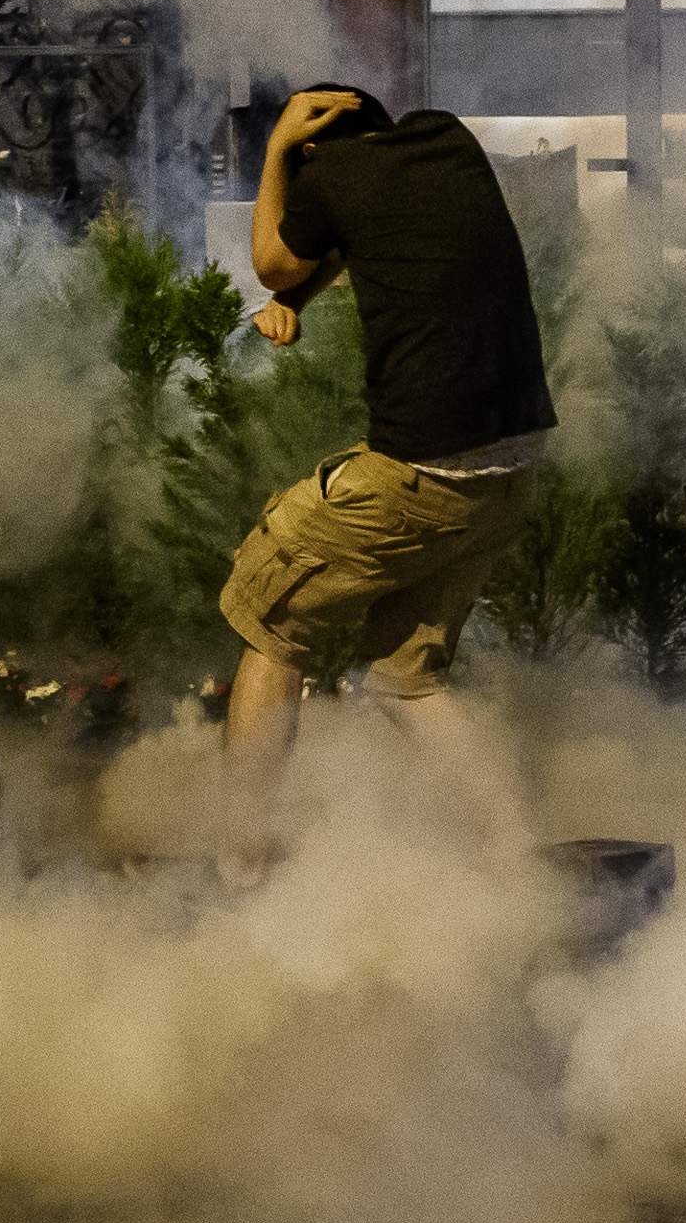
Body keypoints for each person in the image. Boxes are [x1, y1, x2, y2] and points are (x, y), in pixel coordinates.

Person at [219, 84, 558, 846]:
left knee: (269, 615)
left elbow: (274, 261)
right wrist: (301, 301)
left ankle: (241, 870)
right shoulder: (446, 140)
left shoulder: (326, 175)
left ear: (314, 156)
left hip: (422, 474)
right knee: (406, 678)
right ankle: (519, 859)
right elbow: (370, 243)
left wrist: (276, 147)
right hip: (509, 471)